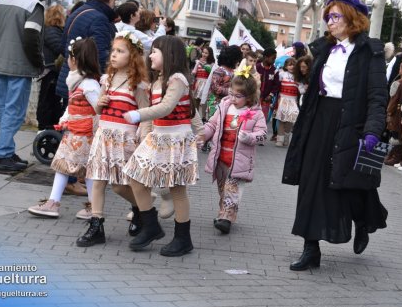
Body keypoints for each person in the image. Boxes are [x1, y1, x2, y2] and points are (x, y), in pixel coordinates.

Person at [282, 0, 388, 271]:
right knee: (311, 182)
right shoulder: (325, 50)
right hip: (319, 121)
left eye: (336, 16)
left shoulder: (370, 53)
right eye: (328, 17)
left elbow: (378, 97)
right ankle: (310, 249)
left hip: (351, 124)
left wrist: (373, 130)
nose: (330, 21)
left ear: (353, 18)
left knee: (348, 182)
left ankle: (363, 220)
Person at [122, 36, 204, 257]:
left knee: (177, 189)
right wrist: (145, 135)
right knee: (135, 178)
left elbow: (166, 108)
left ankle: (183, 238)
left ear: (169, 55)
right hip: (158, 138)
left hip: (176, 139)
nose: (150, 56)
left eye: (155, 52)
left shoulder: (177, 79)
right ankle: (151, 226)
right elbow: (152, 110)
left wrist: (137, 114)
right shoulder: (157, 82)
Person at [75, 31, 151, 247]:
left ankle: (143, 210)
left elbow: (145, 114)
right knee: (97, 180)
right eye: (113, 51)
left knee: (119, 186)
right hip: (104, 135)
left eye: (120, 51)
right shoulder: (106, 79)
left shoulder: (139, 84)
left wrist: (142, 138)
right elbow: (98, 109)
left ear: (133, 55)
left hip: (125, 139)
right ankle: (96, 224)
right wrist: (101, 101)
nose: (114, 55)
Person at [28, 38, 101, 218]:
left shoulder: (88, 85)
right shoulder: (81, 82)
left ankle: (57, 204)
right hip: (75, 133)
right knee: (78, 169)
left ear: (74, 60)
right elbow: (75, 106)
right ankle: (91, 206)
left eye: (69, 56)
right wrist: (66, 119)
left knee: (70, 168)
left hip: (83, 135)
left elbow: (98, 110)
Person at [0, 0, 45, 171]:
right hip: (21, 66)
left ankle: (6, 151)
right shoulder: (33, 4)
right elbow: (32, 39)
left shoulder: (1, 1)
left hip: (1, 63)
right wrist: (38, 63)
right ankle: (1, 155)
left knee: (4, 109)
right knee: (15, 111)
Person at [203, 68, 267, 234]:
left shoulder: (256, 113)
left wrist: (250, 137)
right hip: (221, 157)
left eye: (238, 96)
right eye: (231, 93)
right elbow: (212, 125)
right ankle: (222, 213)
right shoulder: (224, 106)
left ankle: (226, 218)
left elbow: (262, 134)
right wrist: (202, 136)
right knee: (223, 189)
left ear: (249, 96)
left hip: (239, 161)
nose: (232, 98)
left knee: (232, 190)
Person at [56, 0, 117, 107]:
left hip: (72, 78)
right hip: (87, 86)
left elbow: (62, 46)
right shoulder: (99, 19)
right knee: (83, 125)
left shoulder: (78, 12)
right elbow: (101, 57)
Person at [37, 4, 65, 130]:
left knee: (47, 101)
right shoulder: (52, 31)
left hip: (49, 70)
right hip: (51, 70)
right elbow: (59, 48)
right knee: (48, 101)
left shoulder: (49, 30)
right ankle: (46, 127)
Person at [206, 45, 243, 119]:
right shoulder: (219, 70)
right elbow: (215, 88)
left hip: (227, 104)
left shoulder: (233, 72)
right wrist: (232, 92)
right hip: (216, 105)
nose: (238, 62)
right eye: (237, 59)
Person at [274, 57, 299, 147]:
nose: (292, 66)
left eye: (293, 65)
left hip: (293, 100)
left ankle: (287, 137)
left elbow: (301, 89)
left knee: (290, 119)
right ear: (286, 66)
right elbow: (277, 86)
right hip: (283, 99)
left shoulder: (298, 76)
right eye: (289, 65)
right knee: (281, 119)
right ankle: (280, 139)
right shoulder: (282, 74)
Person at [255, 48, 280, 125]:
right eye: (273, 58)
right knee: (253, 117)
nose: (274, 61)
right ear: (265, 57)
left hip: (266, 100)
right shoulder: (256, 67)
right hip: (255, 98)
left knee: (262, 119)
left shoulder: (275, 71)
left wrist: (271, 95)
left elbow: (276, 86)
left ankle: (260, 134)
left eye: (275, 59)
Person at [192, 46, 215, 119]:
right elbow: (194, 72)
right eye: (203, 52)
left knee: (204, 100)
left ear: (210, 54)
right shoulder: (198, 62)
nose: (204, 54)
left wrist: (203, 65)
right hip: (198, 83)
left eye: (206, 53)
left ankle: (203, 117)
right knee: (196, 99)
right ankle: (195, 115)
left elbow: (210, 71)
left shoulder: (211, 64)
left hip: (206, 84)